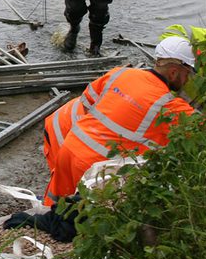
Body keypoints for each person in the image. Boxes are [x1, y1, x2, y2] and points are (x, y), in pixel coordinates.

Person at [42, 36, 197, 207]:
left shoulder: (121, 73)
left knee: (53, 208)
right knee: (80, 222)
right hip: (94, 169)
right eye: (187, 73)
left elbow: (86, 102)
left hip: (70, 148)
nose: (187, 79)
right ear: (174, 72)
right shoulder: (169, 105)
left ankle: (35, 225)